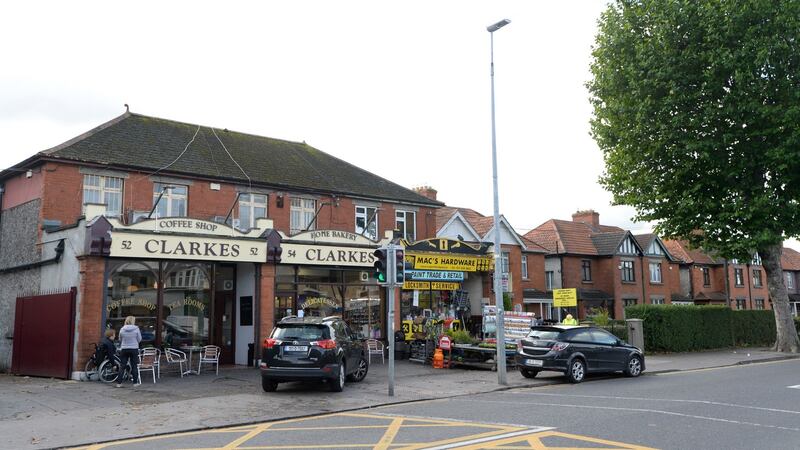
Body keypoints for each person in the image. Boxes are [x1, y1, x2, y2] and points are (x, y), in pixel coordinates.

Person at [116, 316, 142, 387]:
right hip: (134, 349)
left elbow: (120, 339)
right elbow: (139, 339)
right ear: (133, 321)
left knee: (122, 366)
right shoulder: (136, 329)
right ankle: (135, 383)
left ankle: (119, 383)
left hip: (124, 349)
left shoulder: (122, 329)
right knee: (134, 366)